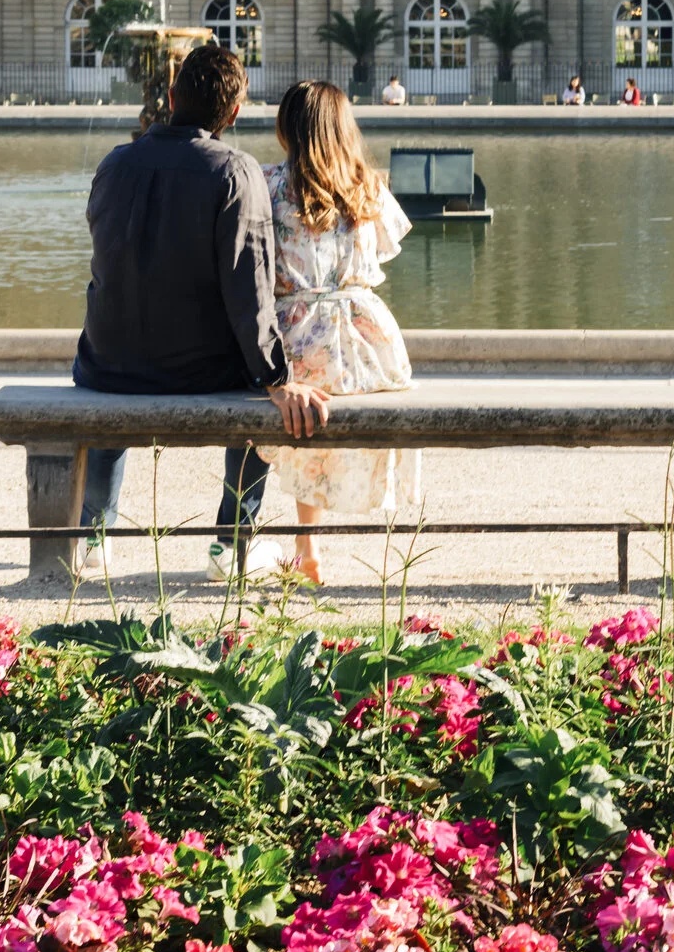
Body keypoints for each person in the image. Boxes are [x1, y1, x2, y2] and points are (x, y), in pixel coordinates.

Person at [72, 42, 331, 583]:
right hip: (200, 369)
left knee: (110, 376)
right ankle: (230, 544)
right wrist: (276, 380)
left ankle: (93, 536)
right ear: (232, 114)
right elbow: (250, 290)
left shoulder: (114, 163)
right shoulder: (236, 172)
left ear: (170, 97)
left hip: (107, 363)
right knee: (258, 391)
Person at [257, 81, 419, 583]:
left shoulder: (268, 184)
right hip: (372, 345)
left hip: (298, 335)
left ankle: (302, 543)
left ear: (288, 128)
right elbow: (385, 253)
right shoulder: (367, 185)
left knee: (291, 404)